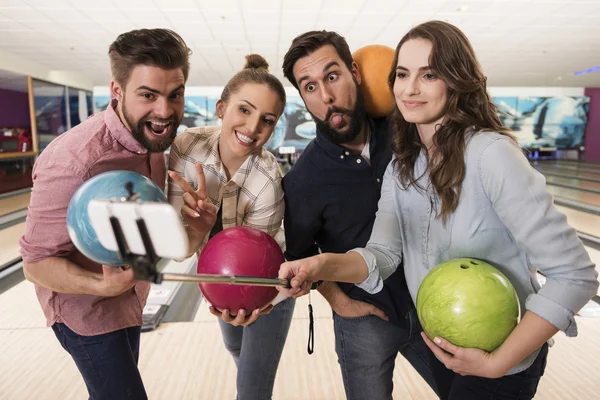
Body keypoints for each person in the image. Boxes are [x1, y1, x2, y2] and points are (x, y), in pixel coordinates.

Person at [278, 20, 600, 400]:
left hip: (503, 356)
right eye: (402, 74)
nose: (410, 88)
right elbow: (382, 254)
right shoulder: (403, 168)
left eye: (428, 74)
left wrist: (496, 364)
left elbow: (575, 275)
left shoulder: (490, 155)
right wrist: (321, 266)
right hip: (444, 346)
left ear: (455, 80)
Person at [19, 28, 191, 400]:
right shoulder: (73, 162)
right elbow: (34, 264)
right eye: (148, 95)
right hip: (86, 311)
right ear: (117, 90)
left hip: (129, 295)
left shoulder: (154, 142)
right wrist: (102, 286)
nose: (164, 111)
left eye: (174, 95)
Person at [279, 30, 440, 400]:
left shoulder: (407, 132)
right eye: (310, 87)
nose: (326, 96)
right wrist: (340, 302)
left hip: (432, 302)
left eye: (332, 76)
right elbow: (301, 256)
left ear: (354, 71)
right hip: (366, 317)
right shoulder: (302, 181)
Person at [167, 54, 295, 400]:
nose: (253, 127)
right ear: (222, 108)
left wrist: (257, 303)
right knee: (236, 348)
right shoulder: (187, 146)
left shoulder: (268, 179)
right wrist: (197, 225)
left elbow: (259, 269)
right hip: (218, 277)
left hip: (269, 284)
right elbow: (178, 249)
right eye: (244, 110)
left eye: (267, 120)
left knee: (253, 387)